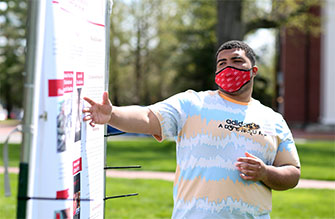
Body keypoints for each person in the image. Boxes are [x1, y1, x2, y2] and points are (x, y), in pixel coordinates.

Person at [82, 40, 300, 218]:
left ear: (253, 71)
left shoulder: (273, 119)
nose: (228, 67)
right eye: (221, 63)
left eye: (236, 61)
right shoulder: (192, 104)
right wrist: (113, 115)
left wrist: (265, 172)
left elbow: (292, 172)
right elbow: (147, 117)